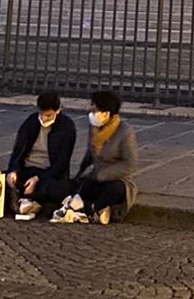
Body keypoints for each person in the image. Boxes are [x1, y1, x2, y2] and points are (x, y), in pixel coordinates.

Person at [49, 91, 138, 226]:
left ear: (106, 113)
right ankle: (84, 208)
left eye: (95, 109)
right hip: (96, 175)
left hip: (117, 177)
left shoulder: (125, 131)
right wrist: (82, 171)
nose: (92, 112)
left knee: (115, 189)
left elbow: (130, 164)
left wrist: (103, 175)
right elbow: (90, 153)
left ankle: (92, 208)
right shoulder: (94, 128)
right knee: (83, 186)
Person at [3, 90, 76, 219]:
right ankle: (28, 200)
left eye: (48, 115)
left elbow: (61, 163)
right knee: (1, 181)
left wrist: (38, 179)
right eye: (41, 114)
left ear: (57, 111)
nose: (43, 119)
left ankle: (26, 200)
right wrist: (13, 170)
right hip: (27, 169)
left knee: (54, 189)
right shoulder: (31, 122)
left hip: (48, 173)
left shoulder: (67, 127)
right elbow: (18, 151)